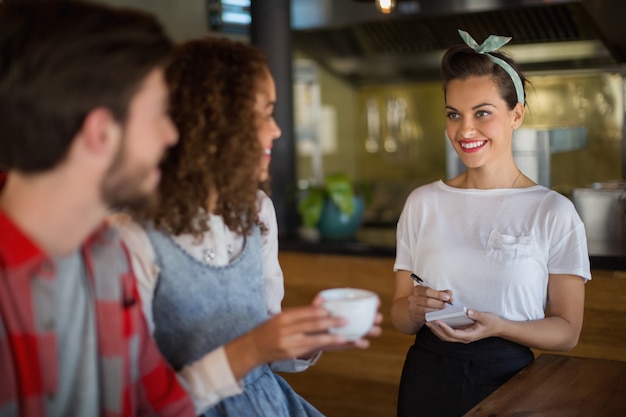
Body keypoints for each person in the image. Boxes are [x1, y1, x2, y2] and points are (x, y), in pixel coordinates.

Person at [111, 36, 382, 417]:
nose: (276, 131)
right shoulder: (130, 238)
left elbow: (265, 350)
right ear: (212, 122)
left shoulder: (256, 211)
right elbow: (135, 404)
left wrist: (308, 338)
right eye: (264, 114)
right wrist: (253, 349)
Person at [0, 1, 197, 416]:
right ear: (101, 132)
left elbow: (161, 405)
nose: (172, 135)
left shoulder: (108, 254)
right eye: (160, 113)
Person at [390, 29, 591, 417]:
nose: (465, 130)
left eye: (482, 113)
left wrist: (500, 327)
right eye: (454, 114)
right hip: (426, 379)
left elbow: (567, 331)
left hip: (511, 381)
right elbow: (400, 317)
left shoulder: (553, 211)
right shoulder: (423, 202)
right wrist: (413, 309)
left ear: (516, 114)